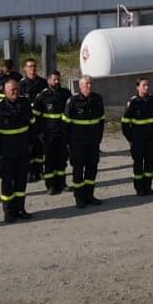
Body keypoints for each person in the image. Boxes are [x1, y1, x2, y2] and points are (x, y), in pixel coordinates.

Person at [0, 80, 36, 223]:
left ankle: (20, 209)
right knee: (8, 183)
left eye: (17, 89)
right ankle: (9, 212)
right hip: (6, 153)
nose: (15, 92)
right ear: (5, 91)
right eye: (12, 90)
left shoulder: (25, 103)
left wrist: (31, 145)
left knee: (21, 182)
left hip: (22, 150)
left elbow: (32, 125)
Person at [63, 75, 106, 208]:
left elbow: (101, 121)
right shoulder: (73, 101)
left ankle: (89, 195)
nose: (89, 86)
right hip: (77, 143)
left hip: (93, 142)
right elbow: (66, 124)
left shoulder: (97, 99)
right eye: (87, 84)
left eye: (91, 83)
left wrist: (98, 138)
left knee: (92, 169)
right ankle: (79, 198)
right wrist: (68, 143)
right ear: (80, 86)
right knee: (78, 170)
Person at [121, 77, 153, 196]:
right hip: (137, 139)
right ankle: (139, 188)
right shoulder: (133, 102)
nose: (146, 87)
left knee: (150, 162)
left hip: (151, 138)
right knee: (138, 164)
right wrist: (130, 139)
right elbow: (125, 122)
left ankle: (148, 186)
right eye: (144, 85)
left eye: (148, 85)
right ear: (137, 87)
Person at [32, 71, 71, 194]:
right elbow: (36, 116)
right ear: (48, 81)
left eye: (58, 79)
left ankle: (62, 183)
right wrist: (39, 132)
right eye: (54, 80)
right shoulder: (42, 96)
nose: (57, 82)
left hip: (63, 133)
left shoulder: (66, 94)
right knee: (50, 160)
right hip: (49, 134)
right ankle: (50, 185)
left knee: (62, 160)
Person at [20, 58, 49, 183]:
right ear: (25, 68)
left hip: (40, 119)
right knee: (28, 147)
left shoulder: (43, 82)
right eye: (30, 66)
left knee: (39, 145)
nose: (33, 69)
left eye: (34, 66)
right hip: (27, 119)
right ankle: (29, 172)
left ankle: (39, 170)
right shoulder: (21, 84)